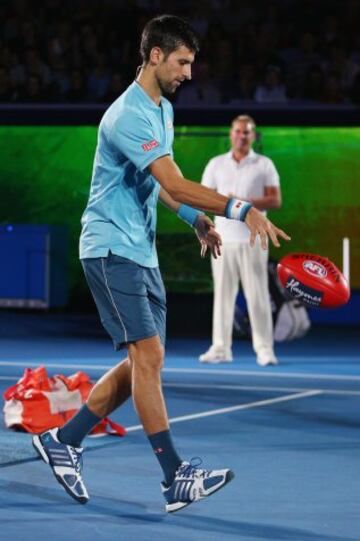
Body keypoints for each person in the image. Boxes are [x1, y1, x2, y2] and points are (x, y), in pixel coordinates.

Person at [32, 15, 290, 513]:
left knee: (143, 365)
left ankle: (65, 440)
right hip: (110, 248)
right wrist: (241, 208)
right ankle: (174, 475)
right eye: (182, 62)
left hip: (139, 252)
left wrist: (195, 218)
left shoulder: (162, 110)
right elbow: (173, 181)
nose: (189, 73)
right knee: (147, 358)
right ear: (155, 56)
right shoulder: (128, 114)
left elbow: (159, 185)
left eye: (191, 63)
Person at [199, 115, 282, 367]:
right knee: (223, 296)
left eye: (246, 132)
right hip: (223, 239)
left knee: (257, 295)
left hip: (254, 241)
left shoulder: (264, 164)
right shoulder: (215, 164)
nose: (242, 136)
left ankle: (265, 349)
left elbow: (275, 200)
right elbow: (204, 197)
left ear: (253, 136)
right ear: (231, 134)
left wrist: (242, 202)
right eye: (238, 131)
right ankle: (221, 348)